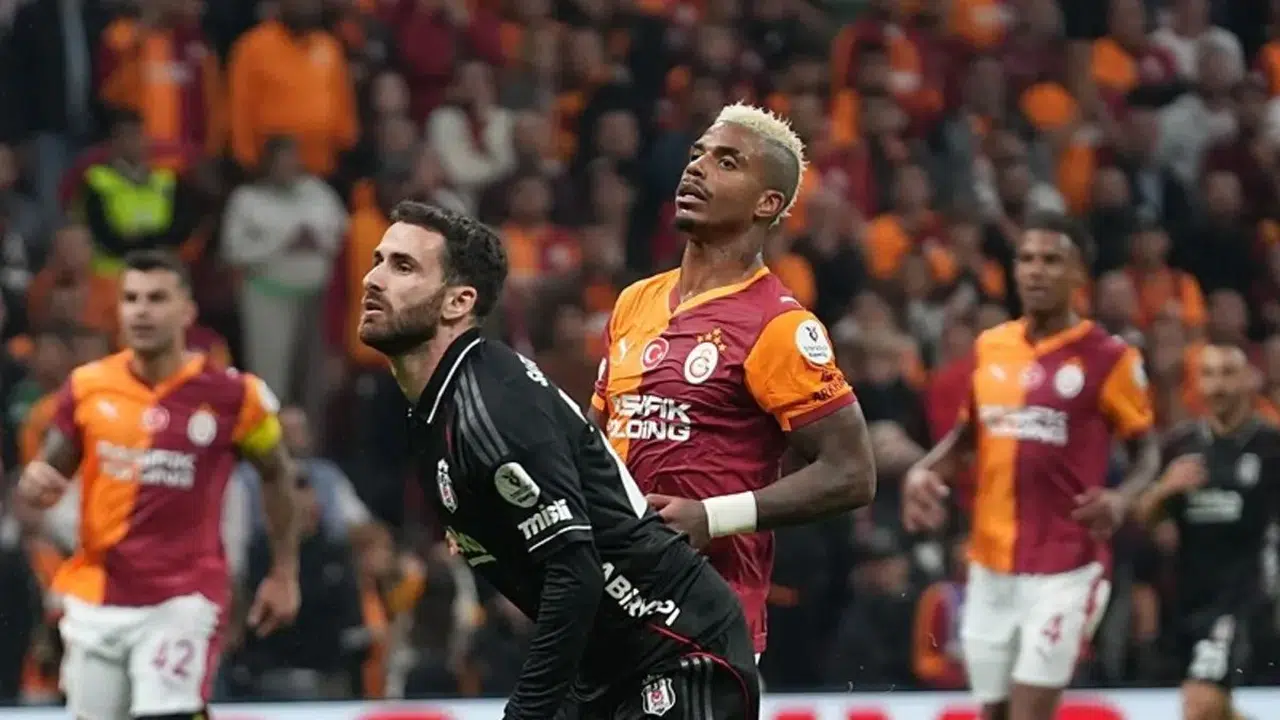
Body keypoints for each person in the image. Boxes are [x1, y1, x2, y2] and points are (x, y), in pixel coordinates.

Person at [358, 201, 760, 720]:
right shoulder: (440, 407)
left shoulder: (490, 407)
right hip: (606, 669)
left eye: (403, 266)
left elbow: (575, 571)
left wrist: (527, 713)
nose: (372, 279)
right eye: (378, 260)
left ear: (458, 302)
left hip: (679, 650)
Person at [587, 103, 877, 659]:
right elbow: (592, 446)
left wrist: (712, 517)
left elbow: (853, 473)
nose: (695, 168)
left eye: (726, 162)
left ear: (767, 203)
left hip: (705, 619)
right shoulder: (634, 302)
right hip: (605, 608)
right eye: (697, 154)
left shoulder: (778, 325)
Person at [16, 250, 302, 720]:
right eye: (131, 299)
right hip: (98, 595)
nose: (142, 311)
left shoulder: (235, 395)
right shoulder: (86, 387)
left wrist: (284, 572)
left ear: (187, 311)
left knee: (166, 714)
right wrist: (34, 483)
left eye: (156, 298)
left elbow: (276, 473)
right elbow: (48, 472)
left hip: (184, 597)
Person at [901, 212, 1161, 720]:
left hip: (1067, 566)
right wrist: (924, 471)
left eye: (1051, 260)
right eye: (1026, 259)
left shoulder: (1110, 358)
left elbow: (1147, 451)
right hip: (990, 563)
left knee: (1028, 712)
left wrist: (1122, 497)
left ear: (1079, 273)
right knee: (994, 713)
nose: (1036, 271)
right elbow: (968, 437)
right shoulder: (991, 346)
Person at [1135, 342, 1280, 720]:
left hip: (1244, 595)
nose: (1218, 385)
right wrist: (1164, 490)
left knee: (1199, 704)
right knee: (1214, 709)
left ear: (1249, 379)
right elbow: (1144, 520)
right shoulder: (1179, 445)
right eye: (1209, 374)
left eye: (1228, 374)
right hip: (1188, 597)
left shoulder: (1271, 446)